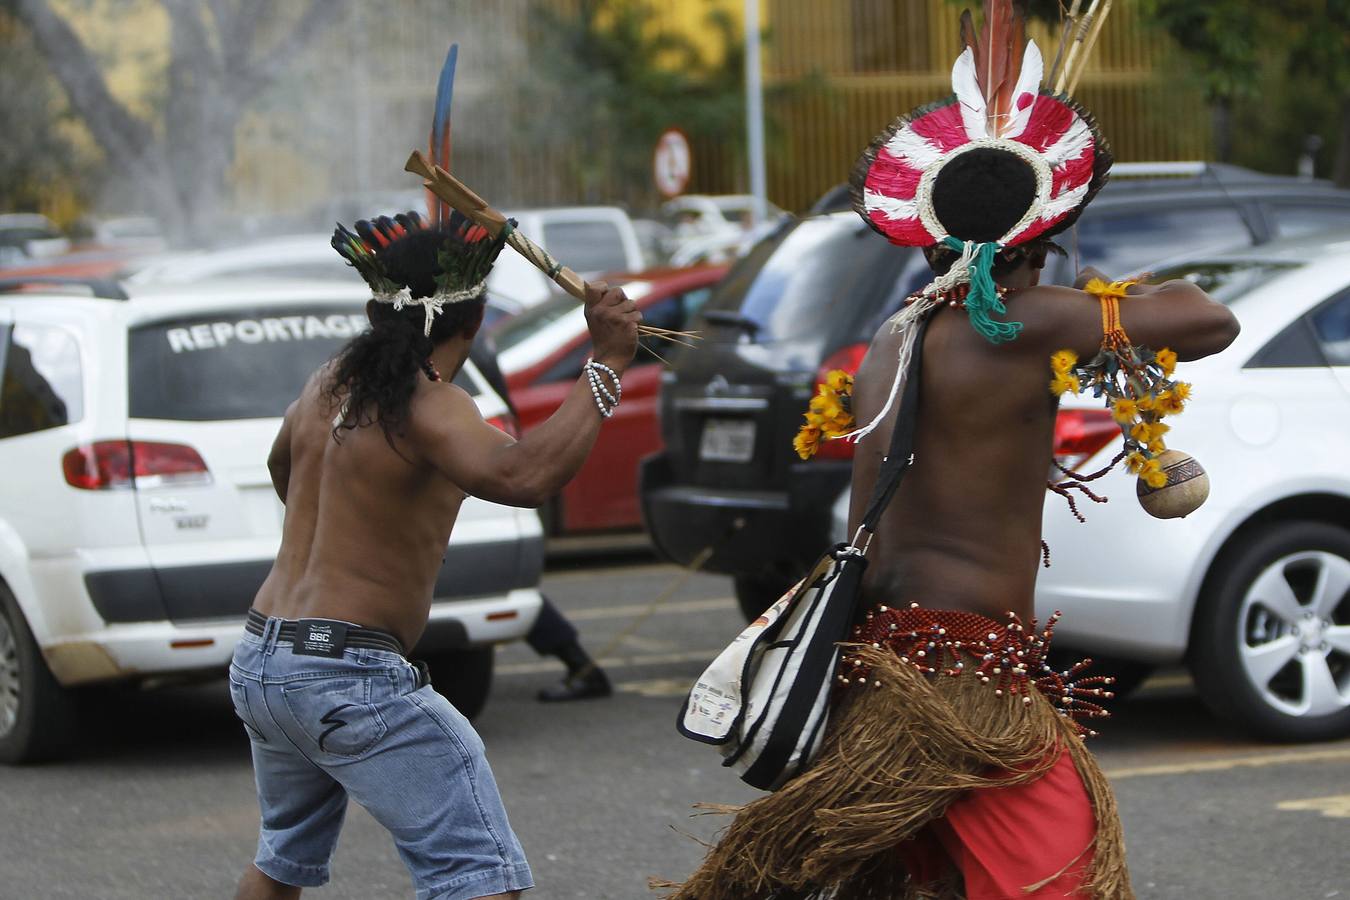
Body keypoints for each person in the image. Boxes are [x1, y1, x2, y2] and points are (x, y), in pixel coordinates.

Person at [666, 5, 1240, 899]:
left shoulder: (895, 333)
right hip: (970, 687)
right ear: (1038, 241)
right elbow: (1209, 318)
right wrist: (1110, 294)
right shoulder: (1021, 322)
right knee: (1065, 881)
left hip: (885, 673)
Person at [228, 210, 638, 900]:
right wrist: (607, 363)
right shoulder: (432, 404)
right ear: (473, 324)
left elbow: (282, 468)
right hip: (343, 674)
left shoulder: (328, 383)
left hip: (265, 658)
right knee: (480, 879)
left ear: (374, 311)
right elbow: (525, 477)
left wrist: (357, 524)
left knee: (282, 864)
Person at [468, 337, 612, 702]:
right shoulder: (472, 340)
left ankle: (579, 664)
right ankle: (579, 663)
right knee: (498, 578)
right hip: (497, 461)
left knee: (495, 577)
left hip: (488, 468)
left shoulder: (451, 344)